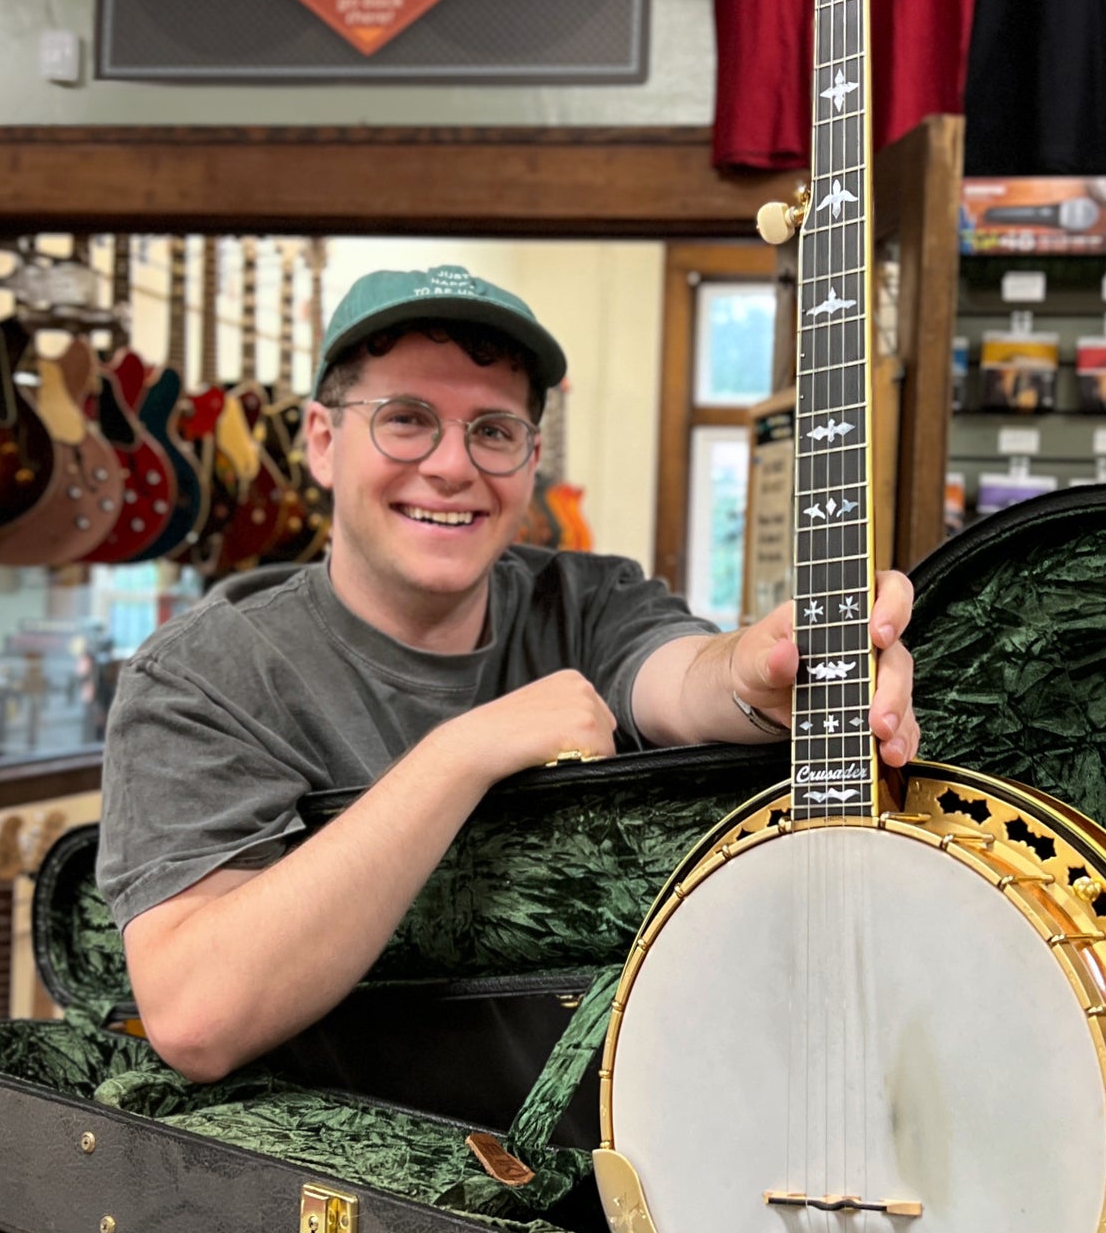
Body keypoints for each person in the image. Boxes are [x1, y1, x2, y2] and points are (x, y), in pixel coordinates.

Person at [98, 262, 919, 1083]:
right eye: (406, 419)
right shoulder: (203, 675)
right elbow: (195, 1013)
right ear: (322, 440)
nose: (453, 466)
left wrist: (762, 671)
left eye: (493, 430)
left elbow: (680, 680)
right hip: (325, 1173)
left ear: (530, 459)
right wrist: (462, 754)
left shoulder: (587, 603)